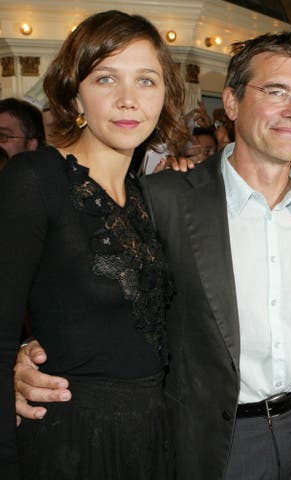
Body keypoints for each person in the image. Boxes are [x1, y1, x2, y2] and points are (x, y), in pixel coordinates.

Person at [14, 29, 291, 479]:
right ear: (230, 103)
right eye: (276, 91)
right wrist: (24, 354)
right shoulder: (164, 197)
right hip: (209, 443)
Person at [0, 10, 188, 479]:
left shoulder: (148, 198)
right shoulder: (35, 179)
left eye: (146, 81)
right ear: (75, 92)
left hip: (153, 437)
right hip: (71, 440)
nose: (128, 100)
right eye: (106, 78)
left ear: (164, 97)